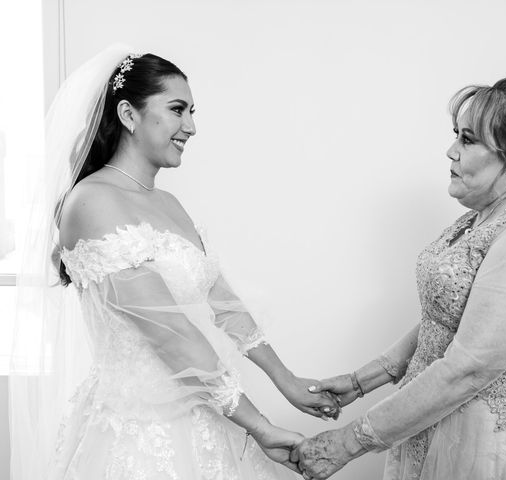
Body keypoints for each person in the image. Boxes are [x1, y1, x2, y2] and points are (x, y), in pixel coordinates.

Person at [11, 45, 340, 480]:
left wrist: (287, 380)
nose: (192, 126)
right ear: (129, 115)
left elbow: (224, 304)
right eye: (177, 110)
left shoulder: (169, 203)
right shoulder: (92, 202)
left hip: (205, 412)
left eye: (192, 111)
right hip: (141, 431)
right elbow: (171, 336)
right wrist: (260, 426)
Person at [292, 74, 506, 480]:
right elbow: (446, 317)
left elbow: (469, 366)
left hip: (494, 443)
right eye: (456, 136)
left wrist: (348, 442)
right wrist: (362, 381)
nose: (451, 151)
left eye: (467, 139)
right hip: (441, 423)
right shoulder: (483, 217)